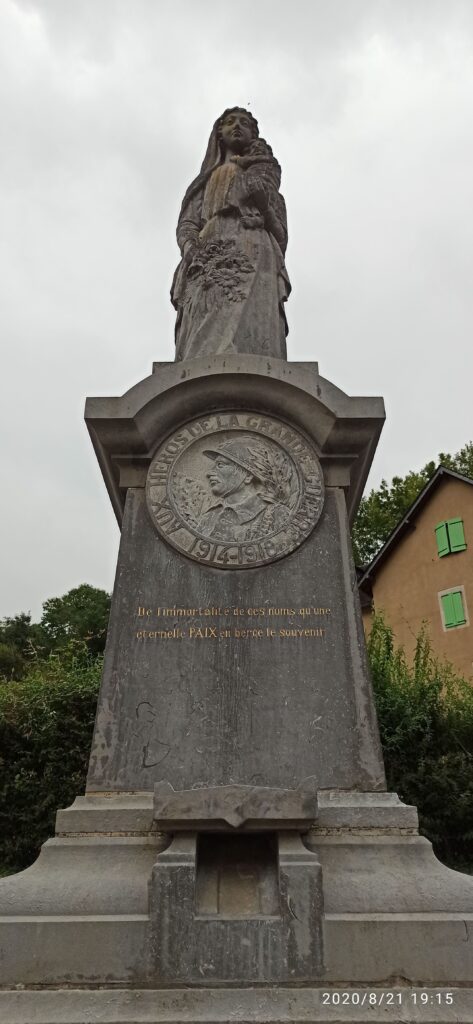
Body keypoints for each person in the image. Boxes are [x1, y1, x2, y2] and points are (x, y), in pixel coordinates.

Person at [172, 108, 291, 361]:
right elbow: (188, 222)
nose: (237, 126)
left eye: (244, 123)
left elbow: (280, 234)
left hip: (255, 247)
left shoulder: (264, 175)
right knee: (207, 311)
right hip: (209, 249)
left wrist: (263, 206)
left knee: (253, 325)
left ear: (253, 134)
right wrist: (190, 247)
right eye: (230, 122)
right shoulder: (205, 181)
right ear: (219, 133)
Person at [198, 436, 293, 543]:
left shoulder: (277, 515)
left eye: (220, 465)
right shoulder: (209, 516)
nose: (209, 473)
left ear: (248, 475)